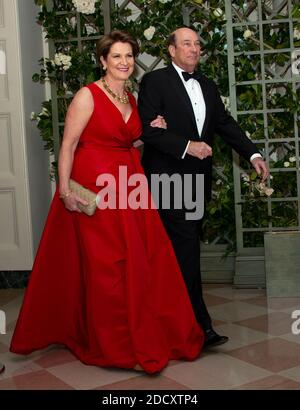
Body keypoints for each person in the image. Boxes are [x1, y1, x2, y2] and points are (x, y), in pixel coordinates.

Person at [10, 30, 204, 374]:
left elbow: (122, 142)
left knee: (140, 260)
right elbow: (68, 145)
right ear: (103, 61)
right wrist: (66, 191)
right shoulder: (88, 95)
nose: (124, 62)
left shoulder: (129, 98)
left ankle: (137, 334)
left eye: (129, 56)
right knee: (107, 266)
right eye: (116, 56)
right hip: (95, 187)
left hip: (128, 185)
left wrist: (147, 132)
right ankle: (111, 343)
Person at [138, 27, 269, 348]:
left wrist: (252, 153)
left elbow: (225, 124)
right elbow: (146, 130)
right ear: (171, 50)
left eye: (197, 44)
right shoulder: (155, 82)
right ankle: (199, 326)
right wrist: (187, 146)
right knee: (186, 250)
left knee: (181, 250)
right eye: (186, 43)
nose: (194, 49)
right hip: (167, 179)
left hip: (197, 182)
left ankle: (171, 322)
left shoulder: (207, 86)